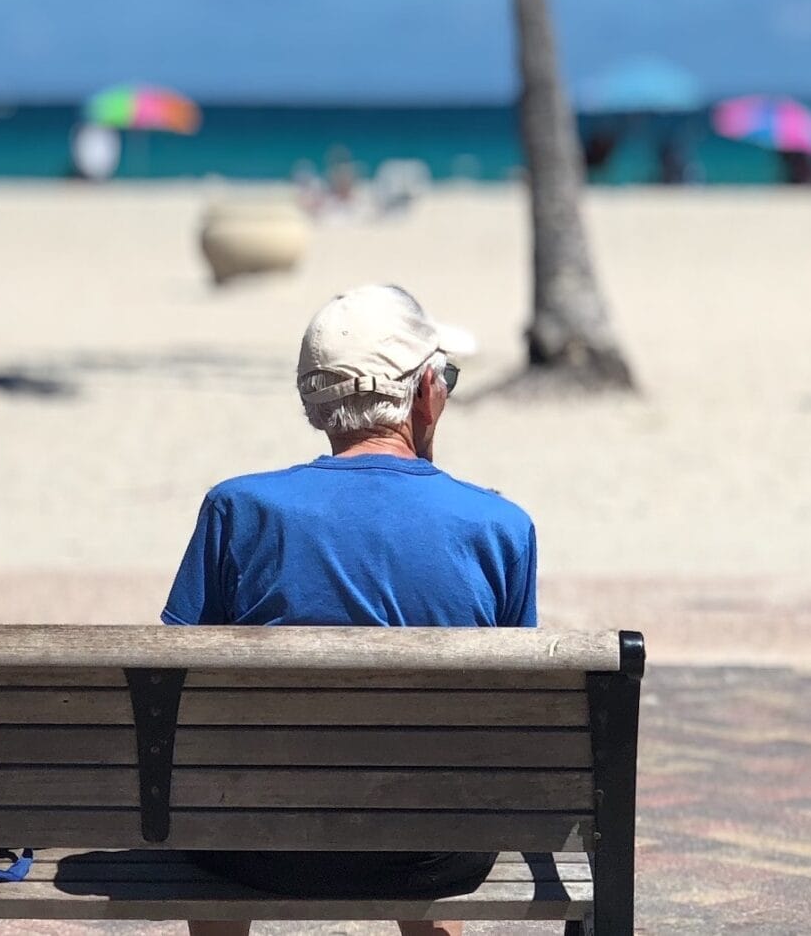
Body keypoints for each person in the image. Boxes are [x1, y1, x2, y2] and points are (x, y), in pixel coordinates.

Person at [163, 285, 535, 936]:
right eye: (445, 376)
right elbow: (518, 719)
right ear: (424, 392)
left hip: (254, 851)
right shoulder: (499, 528)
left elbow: (172, 691)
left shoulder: (239, 512)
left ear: (315, 403)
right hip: (434, 856)